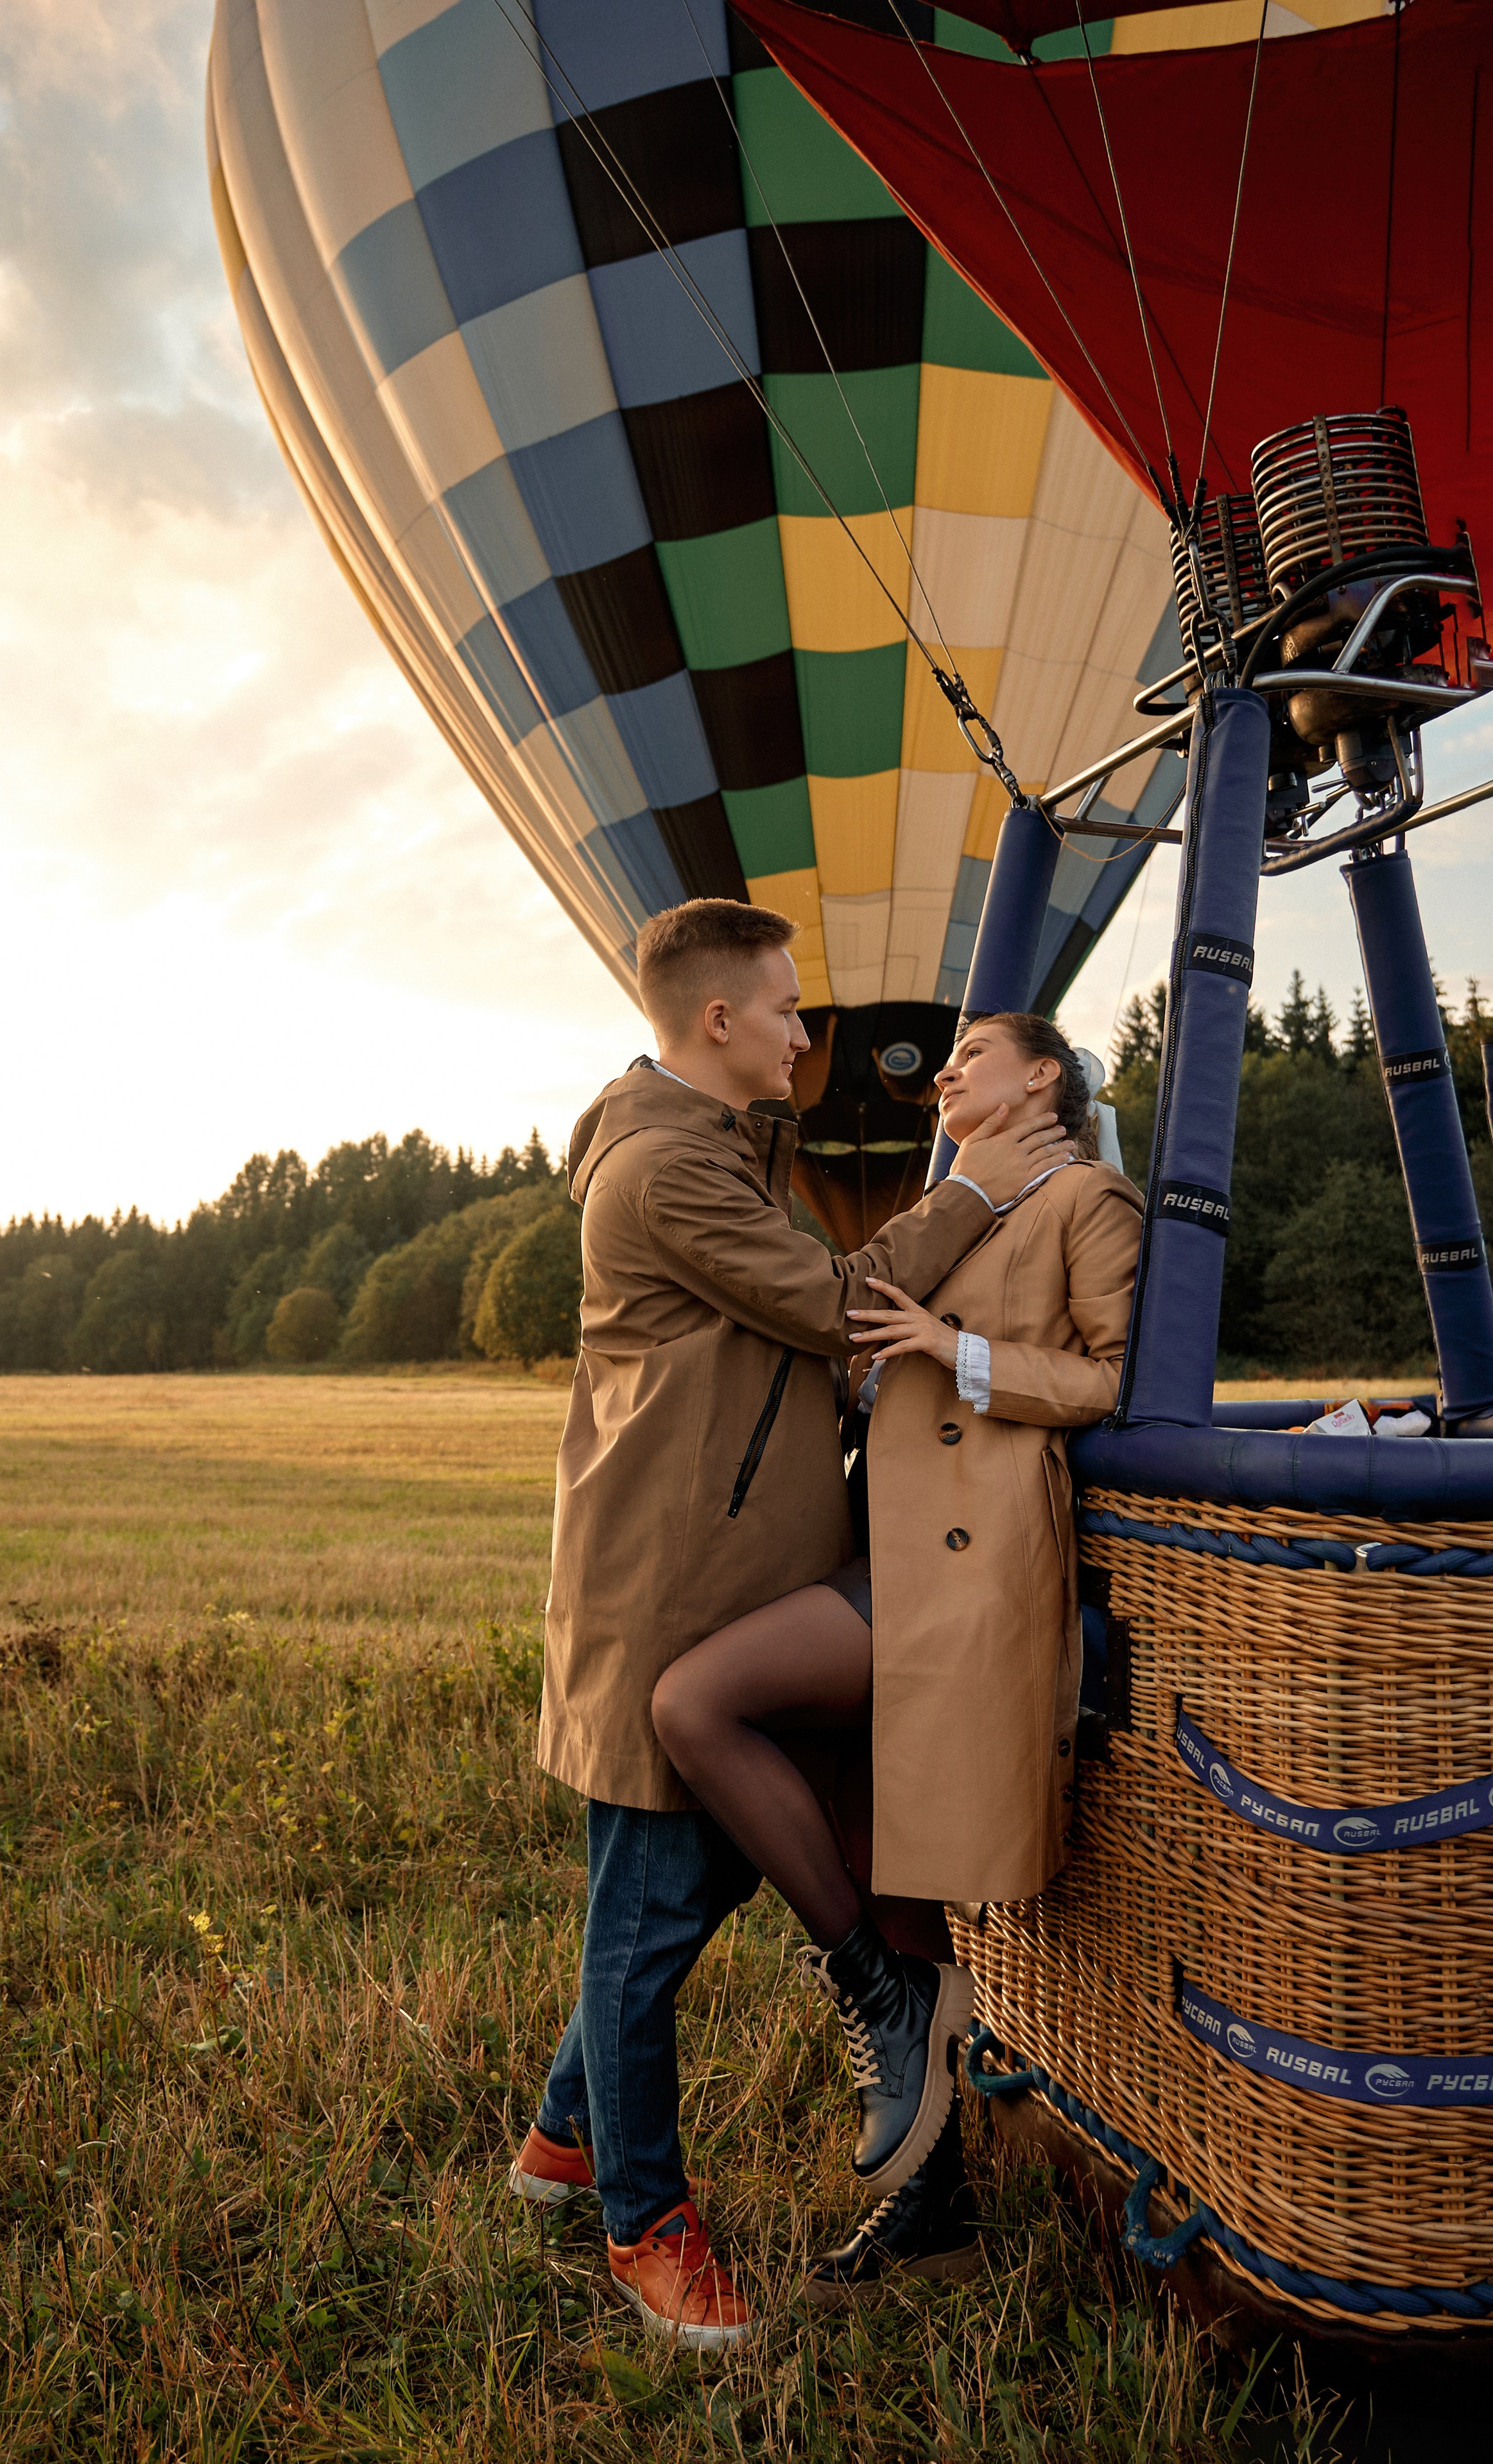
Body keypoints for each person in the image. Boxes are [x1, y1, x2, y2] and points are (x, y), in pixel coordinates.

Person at [507, 906, 1076, 2350]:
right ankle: (642, 2221)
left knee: (670, 1900)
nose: (805, 1039)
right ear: (714, 1024)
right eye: (780, 1012)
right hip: (667, 1601)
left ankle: (562, 2144)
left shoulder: (713, 1151)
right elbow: (834, 1305)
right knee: (643, 1926)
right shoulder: (660, 1172)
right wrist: (972, 1184)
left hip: (723, 1578)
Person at [651, 1011, 1143, 2306]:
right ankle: (933, 2214)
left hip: (958, 1581)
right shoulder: (949, 1205)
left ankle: (878, 1992)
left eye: (979, 1050)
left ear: (1044, 1076)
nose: (949, 1068)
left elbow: (1107, 1382)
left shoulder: (1085, 1199)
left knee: (697, 1702)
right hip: (879, 1549)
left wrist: (949, 1352)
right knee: (884, 1872)